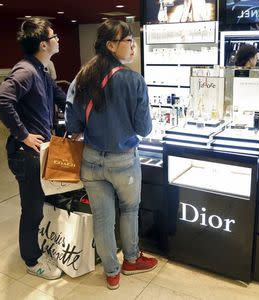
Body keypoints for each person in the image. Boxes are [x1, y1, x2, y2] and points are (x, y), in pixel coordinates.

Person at [65, 19, 157, 290]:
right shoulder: (134, 80)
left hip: (91, 160)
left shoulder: (82, 76)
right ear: (111, 45)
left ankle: (111, 272)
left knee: (103, 218)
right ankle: (131, 260)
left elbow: (72, 125)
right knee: (129, 210)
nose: (133, 46)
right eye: (128, 41)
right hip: (123, 161)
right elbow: (145, 128)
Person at [0, 17, 66, 280]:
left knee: (40, 204)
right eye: (54, 36)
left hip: (40, 151)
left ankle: (38, 247)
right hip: (27, 155)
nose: (58, 40)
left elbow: (59, 96)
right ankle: (32, 261)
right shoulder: (26, 70)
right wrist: (22, 134)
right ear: (44, 44)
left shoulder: (42, 68)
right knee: (32, 208)